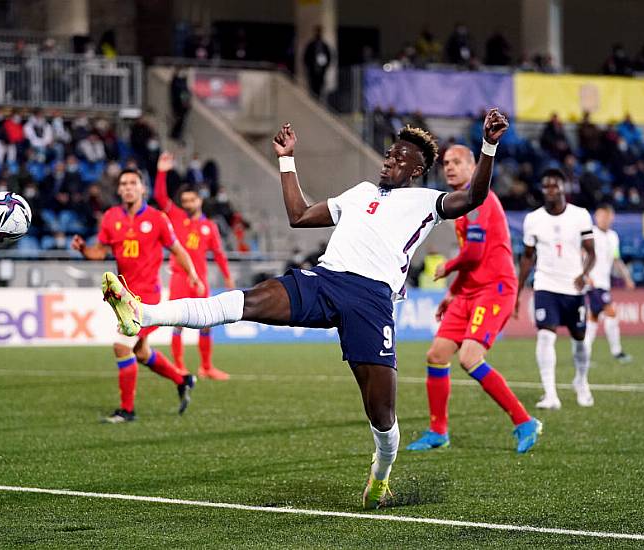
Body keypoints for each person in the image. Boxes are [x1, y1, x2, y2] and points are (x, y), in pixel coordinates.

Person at [101, 110, 510, 508]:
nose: (389, 160)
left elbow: (473, 196)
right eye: (388, 154)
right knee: (249, 300)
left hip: (372, 302)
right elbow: (298, 215)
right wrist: (286, 160)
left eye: (400, 158)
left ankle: (380, 477)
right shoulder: (359, 194)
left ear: (417, 169)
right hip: (326, 281)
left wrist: (488, 146)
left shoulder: (426, 201)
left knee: (382, 413)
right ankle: (145, 314)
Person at [406, 145, 541, 454]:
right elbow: (473, 260)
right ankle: (438, 431)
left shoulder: (480, 200)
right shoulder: (462, 204)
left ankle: (524, 421)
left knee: (469, 358)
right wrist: (453, 292)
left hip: (494, 290)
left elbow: (475, 253)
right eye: (445, 163)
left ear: (471, 167)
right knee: (437, 354)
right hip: (468, 292)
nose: (449, 167)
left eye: (456, 162)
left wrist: (448, 267)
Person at [71, 169, 204, 423]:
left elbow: (178, 249)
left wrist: (193, 276)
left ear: (143, 188)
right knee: (141, 352)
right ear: (119, 190)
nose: (128, 187)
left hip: (147, 298)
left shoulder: (157, 219)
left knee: (122, 346)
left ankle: (127, 411)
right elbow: (99, 252)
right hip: (123, 296)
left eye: (133, 183)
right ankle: (183, 380)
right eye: (124, 184)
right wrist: (84, 250)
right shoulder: (111, 218)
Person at [516, 169, 597, 410]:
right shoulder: (533, 219)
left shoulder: (580, 215)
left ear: (564, 188)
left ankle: (581, 381)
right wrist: (518, 290)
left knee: (580, 340)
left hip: (573, 287)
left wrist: (584, 274)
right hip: (546, 285)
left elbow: (591, 252)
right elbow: (528, 257)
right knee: (544, 335)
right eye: (546, 186)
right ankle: (550, 394)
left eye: (555, 186)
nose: (551, 190)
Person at [154, 152, 235, 380]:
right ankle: (179, 365)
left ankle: (206, 367)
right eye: (185, 201)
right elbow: (160, 196)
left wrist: (228, 278)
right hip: (180, 277)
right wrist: (162, 172)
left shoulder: (210, 226)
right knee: (178, 323)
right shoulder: (176, 216)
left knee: (207, 323)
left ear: (200, 200)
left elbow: (218, 254)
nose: (188, 204)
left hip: (201, 281)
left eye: (192, 200)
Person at [583, 205, 634, 363]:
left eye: (607, 216)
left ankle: (584, 354)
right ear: (596, 217)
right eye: (601, 216)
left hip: (604, 283)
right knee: (611, 312)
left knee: (593, 318)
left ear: (612, 217)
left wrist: (627, 278)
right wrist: (584, 275)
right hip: (592, 282)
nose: (604, 219)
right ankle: (617, 351)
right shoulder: (590, 233)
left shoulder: (613, 236)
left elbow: (616, 259)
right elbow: (581, 253)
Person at [303, 26, 331, 98]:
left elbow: (329, 57)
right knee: (312, 86)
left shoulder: (324, 46)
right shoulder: (311, 45)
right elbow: (306, 57)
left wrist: (325, 66)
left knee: (320, 87)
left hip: (321, 70)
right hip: (312, 70)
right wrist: (308, 66)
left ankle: (318, 98)